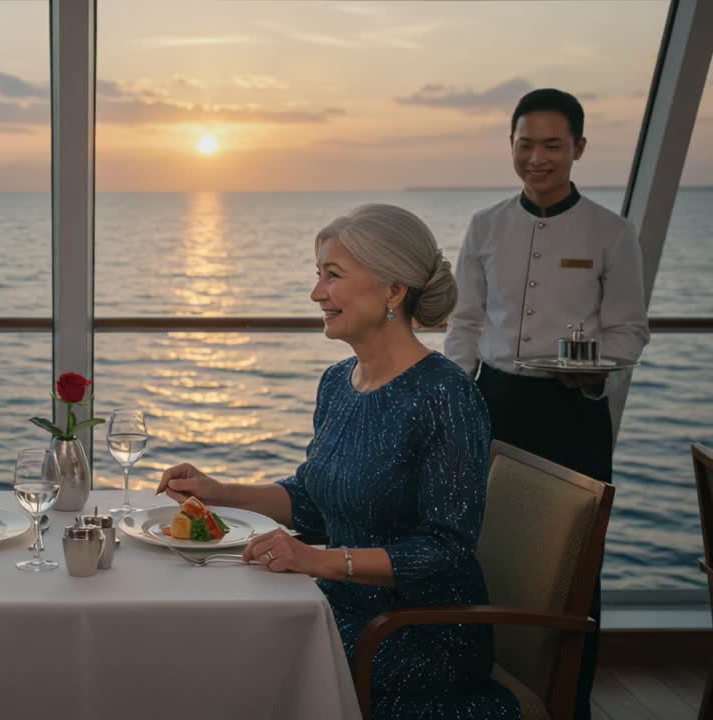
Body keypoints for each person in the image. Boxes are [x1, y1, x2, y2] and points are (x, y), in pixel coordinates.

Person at [158, 204, 518, 720]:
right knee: (208, 627)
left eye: (333, 276)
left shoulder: (446, 396)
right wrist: (219, 490)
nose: (316, 293)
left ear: (394, 290)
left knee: (234, 656)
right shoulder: (337, 382)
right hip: (339, 602)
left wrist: (319, 561)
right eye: (317, 275)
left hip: (417, 632)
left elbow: (446, 550)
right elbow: (310, 502)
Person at [444, 88, 649, 719]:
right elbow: (465, 326)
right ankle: (482, 688)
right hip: (495, 403)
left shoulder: (612, 232)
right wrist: (456, 402)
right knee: (482, 546)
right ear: (511, 146)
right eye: (525, 143)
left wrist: (586, 376)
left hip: (573, 412)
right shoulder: (485, 226)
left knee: (576, 563)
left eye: (552, 145)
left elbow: (628, 330)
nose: (537, 157)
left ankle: (570, 702)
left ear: (578, 149)